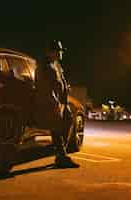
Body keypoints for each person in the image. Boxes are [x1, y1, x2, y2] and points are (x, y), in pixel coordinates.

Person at [35, 40, 79, 168]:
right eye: (58, 51)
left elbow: (61, 80)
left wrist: (66, 88)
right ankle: (62, 156)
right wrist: (54, 102)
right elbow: (44, 86)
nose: (61, 53)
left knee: (68, 121)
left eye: (60, 51)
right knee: (56, 127)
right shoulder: (44, 65)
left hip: (62, 101)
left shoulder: (57, 64)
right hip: (51, 101)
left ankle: (60, 152)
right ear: (51, 52)